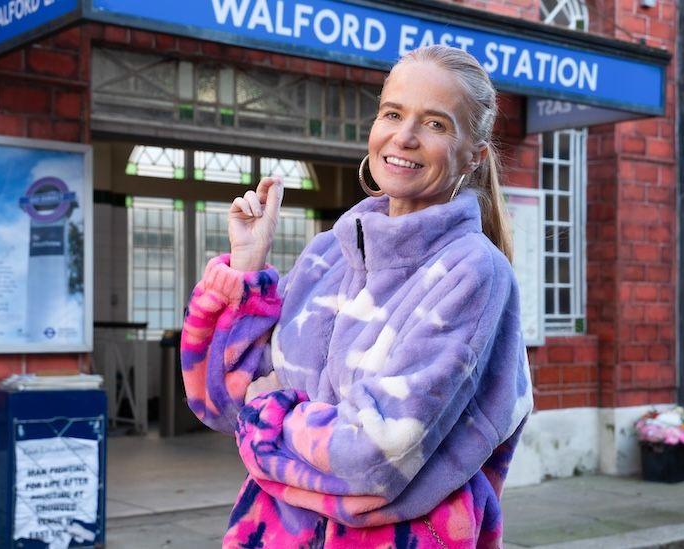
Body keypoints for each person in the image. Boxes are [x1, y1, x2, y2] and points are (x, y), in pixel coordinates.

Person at [181, 45, 533, 548]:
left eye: (435, 124)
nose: (404, 137)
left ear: (472, 155)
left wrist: (272, 408)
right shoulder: (329, 255)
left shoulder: (472, 272)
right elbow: (219, 401)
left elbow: (369, 459)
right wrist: (247, 268)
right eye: (392, 113)